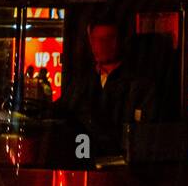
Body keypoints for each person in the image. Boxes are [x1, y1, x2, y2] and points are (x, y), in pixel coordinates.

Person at [64, 21, 156, 154]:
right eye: (97, 39)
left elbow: (144, 133)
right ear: (91, 42)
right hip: (84, 159)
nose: (102, 44)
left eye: (109, 38)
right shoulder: (81, 83)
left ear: (121, 41)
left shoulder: (139, 85)